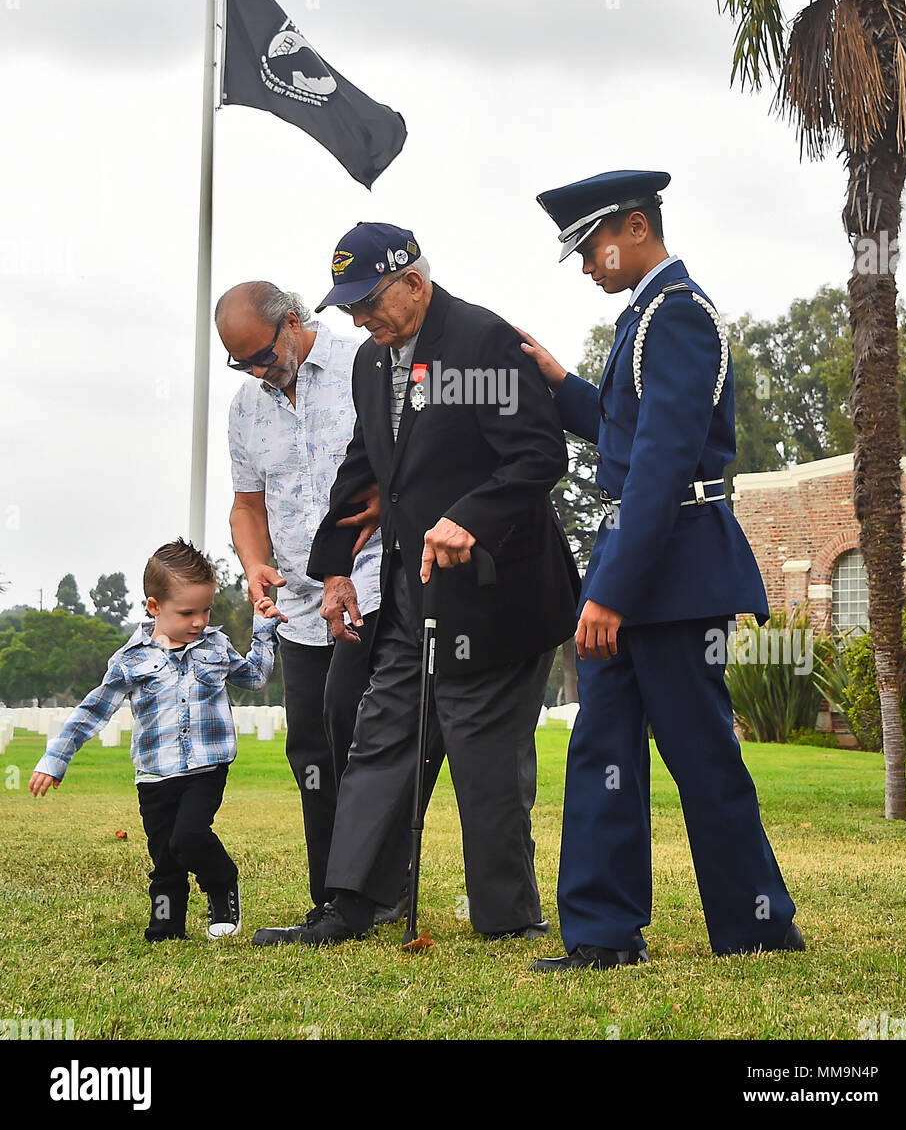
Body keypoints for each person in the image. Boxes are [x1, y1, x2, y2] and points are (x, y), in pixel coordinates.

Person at [519, 169, 803, 971]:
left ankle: (758, 928)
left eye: (591, 248)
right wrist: (561, 384)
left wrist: (610, 591)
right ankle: (603, 937)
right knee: (601, 751)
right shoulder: (646, 316)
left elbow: (664, 464)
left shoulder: (678, 315)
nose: (586, 267)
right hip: (638, 556)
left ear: (635, 228)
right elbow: (622, 432)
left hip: (673, 569)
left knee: (701, 756)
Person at [295, 220, 580, 946]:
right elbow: (367, 470)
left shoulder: (484, 342)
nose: (360, 320)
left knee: (484, 762)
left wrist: (469, 519)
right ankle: (354, 906)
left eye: (369, 303)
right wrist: (333, 568)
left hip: (497, 596)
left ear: (414, 283)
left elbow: (541, 455)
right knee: (381, 739)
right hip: (409, 596)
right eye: (350, 309)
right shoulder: (370, 362)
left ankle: (508, 919)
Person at [215, 281, 401, 942]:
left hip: (369, 585)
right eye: (241, 364)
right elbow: (246, 505)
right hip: (295, 607)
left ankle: (375, 894)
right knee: (310, 749)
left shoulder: (364, 365)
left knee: (356, 733)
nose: (257, 371)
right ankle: (332, 898)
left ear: (293, 322)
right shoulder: (245, 408)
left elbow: (399, 467)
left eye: (262, 355)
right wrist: (253, 563)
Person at [29, 538, 282, 943]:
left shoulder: (214, 645)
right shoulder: (130, 661)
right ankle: (166, 928)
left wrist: (264, 629)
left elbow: (253, 677)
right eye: (187, 612)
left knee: (189, 838)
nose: (199, 621)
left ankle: (221, 882)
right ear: (154, 607)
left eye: (206, 610)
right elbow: (93, 711)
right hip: (154, 775)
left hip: (206, 767)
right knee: (166, 857)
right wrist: (55, 759)